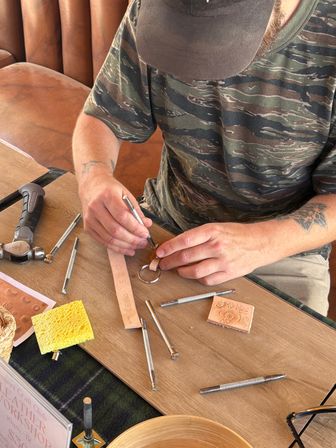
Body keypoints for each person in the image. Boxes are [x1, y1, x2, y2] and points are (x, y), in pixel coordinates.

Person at [72, 0, 336, 316]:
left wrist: (260, 244)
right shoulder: (153, 9)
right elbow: (102, 116)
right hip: (165, 224)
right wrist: (93, 178)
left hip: (283, 252)